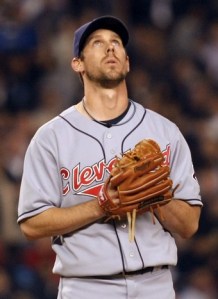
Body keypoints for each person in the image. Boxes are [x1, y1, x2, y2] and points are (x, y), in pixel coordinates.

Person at [17, 16, 203, 299]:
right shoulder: (51, 137)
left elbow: (189, 225)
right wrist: (100, 206)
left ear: (127, 62)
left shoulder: (164, 131)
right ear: (77, 63)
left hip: (156, 285)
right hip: (86, 287)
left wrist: (155, 197)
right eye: (98, 43)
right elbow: (31, 224)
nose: (110, 48)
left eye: (116, 43)